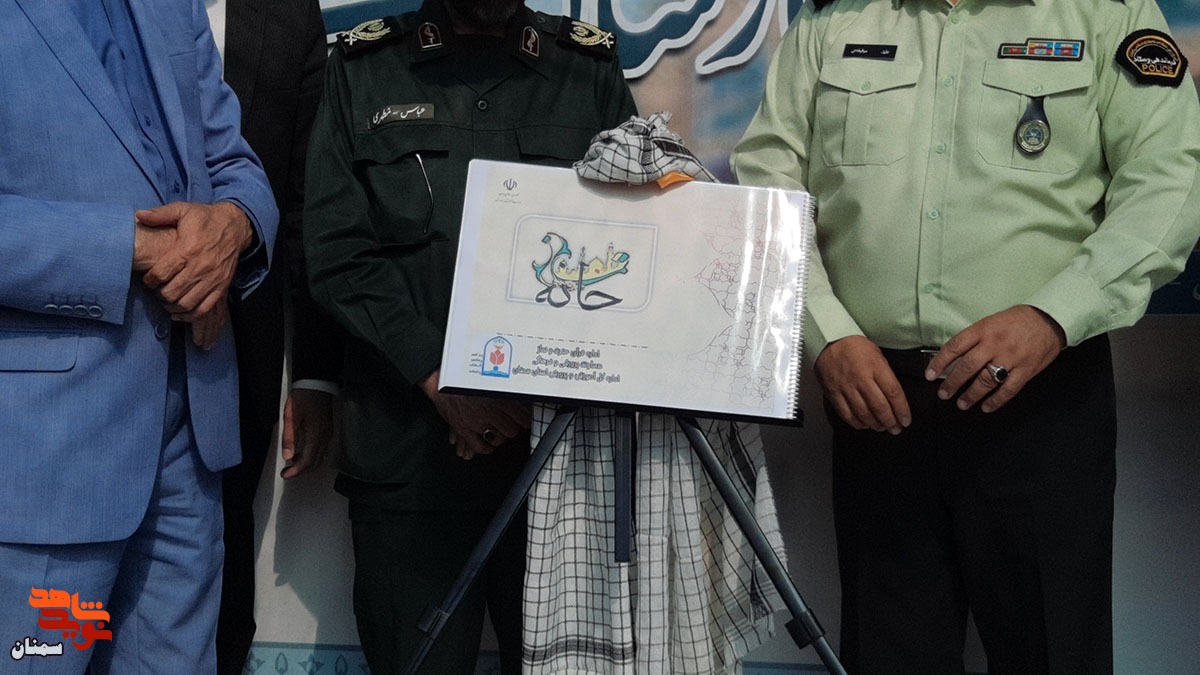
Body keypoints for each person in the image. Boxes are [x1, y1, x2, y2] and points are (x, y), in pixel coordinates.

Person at [731, 0, 1200, 671]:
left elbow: (1171, 184)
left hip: (1042, 393)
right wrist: (825, 333)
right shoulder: (835, 20)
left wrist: (1052, 316)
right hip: (874, 393)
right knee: (891, 654)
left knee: (1052, 649)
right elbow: (766, 184)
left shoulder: (1106, 13)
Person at [302, 1, 636, 672]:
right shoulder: (363, 69)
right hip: (409, 464)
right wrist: (442, 376)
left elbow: (630, 250)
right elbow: (337, 251)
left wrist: (523, 387)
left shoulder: (586, 70)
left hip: (557, 470)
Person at [0, 1, 278, 673]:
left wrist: (233, 225)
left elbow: (234, 161)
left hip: (190, 440)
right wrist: (134, 247)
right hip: (46, 459)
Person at [205, 2, 341, 673]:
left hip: (236, 359)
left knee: (222, 573)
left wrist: (314, 374)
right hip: (92, 347)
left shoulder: (287, 13)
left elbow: (307, 206)